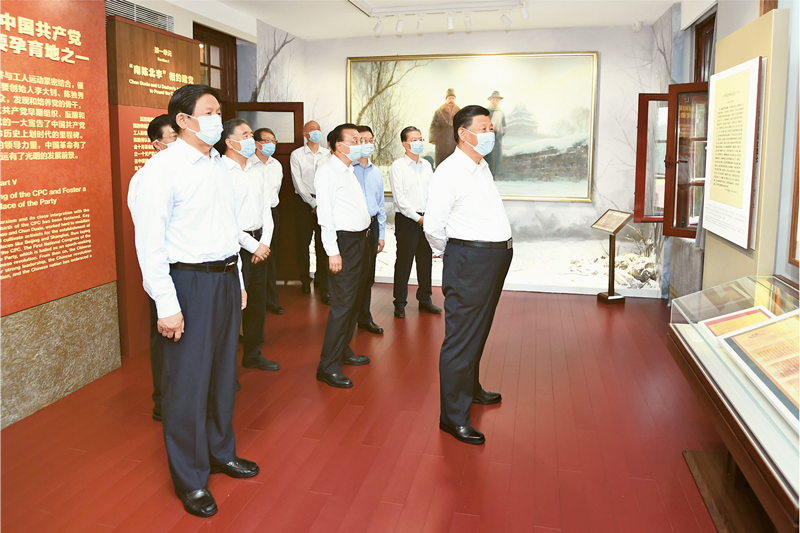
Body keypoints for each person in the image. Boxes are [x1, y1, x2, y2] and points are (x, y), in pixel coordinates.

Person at [133, 85, 259, 518]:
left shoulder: (218, 165)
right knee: (186, 383)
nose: (217, 120)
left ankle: (220, 452)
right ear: (183, 120)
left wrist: (237, 281)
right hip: (186, 283)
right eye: (208, 112)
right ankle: (190, 478)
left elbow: (227, 229)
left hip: (223, 279)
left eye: (218, 112)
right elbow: (150, 244)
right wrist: (166, 305)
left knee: (223, 374)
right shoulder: (160, 170)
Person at [424, 105, 513, 446]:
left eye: (491, 127)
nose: (491, 133)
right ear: (463, 133)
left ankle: (471, 388)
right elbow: (434, 227)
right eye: (484, 128)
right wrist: (452, 254)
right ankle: (453, 417)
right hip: (470, 260)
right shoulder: (449, 172)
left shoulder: (481, 166)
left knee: (478, 329)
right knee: (461, 337)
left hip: (492, 259)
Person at [217, 118, 280, 372]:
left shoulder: (255, 170)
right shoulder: (220, 172)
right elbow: (225, 218)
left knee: (256, 304)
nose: (251, 140)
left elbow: (267, 210)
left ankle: (253, 354)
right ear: (229, 142)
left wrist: (264, 243)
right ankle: (226, 369)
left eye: (251, 134)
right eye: (245, 135)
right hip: (235, 246)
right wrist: (253, 246)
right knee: (232, 308)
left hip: (259, 245)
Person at [126, 114, 177, 423]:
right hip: (164, 270)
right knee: (164, 337)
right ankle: (162, 401)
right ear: (157, 144)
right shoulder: (146, 178)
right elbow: (148, 236)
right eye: (174, 137)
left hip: (187, 269)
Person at [315, 123, 372, 388]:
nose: (361, 144)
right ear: (339, 145)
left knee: (355, 299)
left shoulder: (348, 169)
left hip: (360, 241)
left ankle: (343, 349)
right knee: (342, 304)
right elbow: (325, 216)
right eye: (355, 140)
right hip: (344, 244)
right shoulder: (328, 171)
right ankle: (327, 366)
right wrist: (333, 252)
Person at [389, 126, 442, 319]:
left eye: (420, 139)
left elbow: (433, 192)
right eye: (414, 139)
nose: (419, 142)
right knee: (404, 261)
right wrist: (418, 218)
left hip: (427, 218)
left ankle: (425, 299)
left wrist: (431, 217)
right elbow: (400, 199)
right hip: (408, 220)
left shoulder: (426, 165)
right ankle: (399, 303)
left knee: (425, 261)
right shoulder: (398, 166)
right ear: (405, 144)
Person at [290, 120, 330, 303]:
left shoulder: (328, 154)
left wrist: (321, 203)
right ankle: (305, 280)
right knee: (303, 243)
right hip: (303, 203)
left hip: (324, 202)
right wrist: (312, 203)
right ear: (305, 134)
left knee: (323, 244)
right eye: (312, 129)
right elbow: (298, 183)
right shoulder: (297, 154)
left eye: (318, 129)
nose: (316, 132)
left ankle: (322, 279)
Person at [352, 125, 386, 335]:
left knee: (368, 276)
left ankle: (364, 317)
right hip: (353, 227)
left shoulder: (376, 172)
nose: (368, 144)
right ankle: (348, 319)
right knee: (353, 277)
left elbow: (380, 205)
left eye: (370, 140)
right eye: (363, 140)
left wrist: (381, 234)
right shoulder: (348, 170)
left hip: (371, 227)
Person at [252, 127, 284, 315]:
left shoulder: (276, 165)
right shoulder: (248, 164)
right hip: (252, 214)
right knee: (252, 256)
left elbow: (275, 191)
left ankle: (271, 300)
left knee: (270, 256)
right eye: (267, 141)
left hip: (271, 213)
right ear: (257, 144)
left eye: (274, 141)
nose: (272, 144)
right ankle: (253, 301)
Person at [429, 88, 460, 166]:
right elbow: (433, 125)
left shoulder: (459, 111)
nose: (451, 100)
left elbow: (463, 125)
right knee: (441, 163)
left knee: (454, 163)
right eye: (449, 98)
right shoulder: (439, 111)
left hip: (454, 141)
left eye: (452, 98)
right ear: (446, 99)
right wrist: (433, 138)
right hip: (441, 141)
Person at [485, 91, 506, 177]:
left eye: (497, 100)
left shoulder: (501, 113)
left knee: (495, 162)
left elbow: (504, 126)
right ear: (490, 100)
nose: (495, 101)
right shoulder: (486, 112)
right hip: (487, 139)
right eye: (494, 99)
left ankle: (493, 179)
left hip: (497, 140)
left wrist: (500, 133)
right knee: (487, 160)